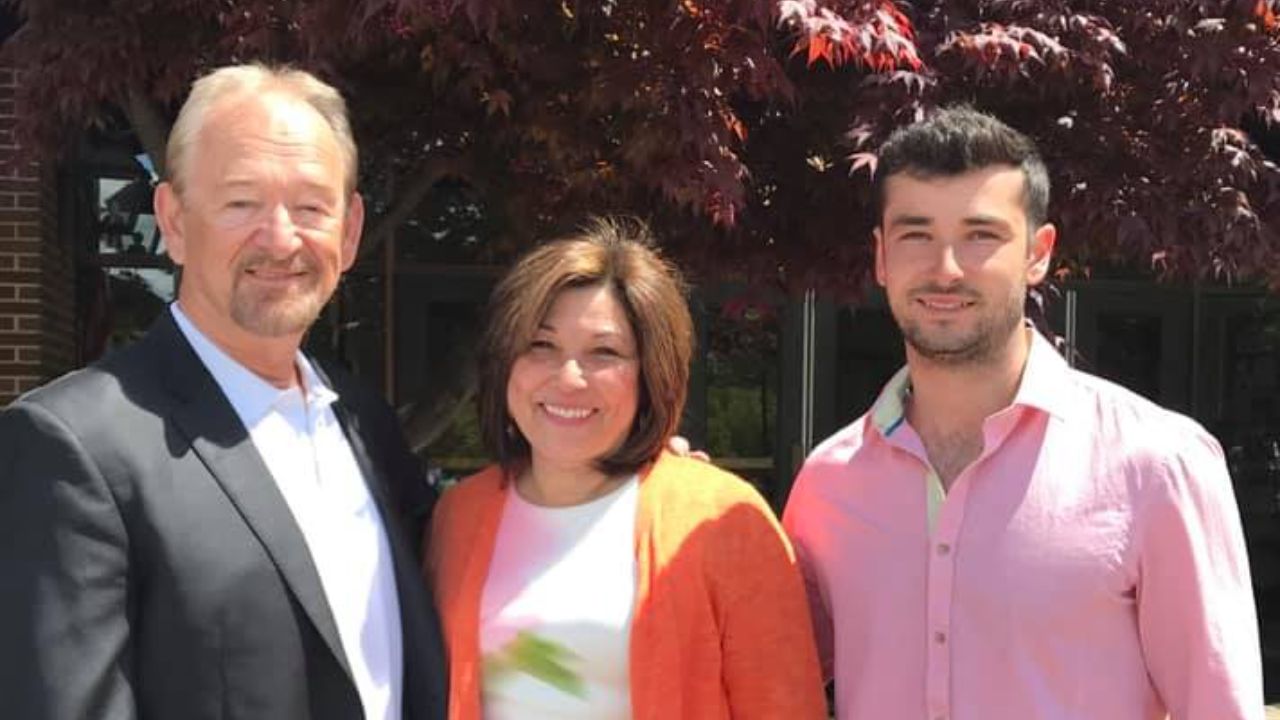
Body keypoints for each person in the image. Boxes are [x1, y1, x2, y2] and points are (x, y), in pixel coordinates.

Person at [783, 107, 1265, 719]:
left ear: (1038, 254)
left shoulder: (1156, 464)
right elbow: (754, 666)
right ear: (881, 258)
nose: (946, 269)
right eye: (916, 234)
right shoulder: (828, 484)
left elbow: (1221, 708)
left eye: (980, 235)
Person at [0, 64, 447, 719]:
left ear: (349, 232)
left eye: (311, 207)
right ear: (174, 220)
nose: (281, 237)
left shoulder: (365, 424)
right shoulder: (73, 448)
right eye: (242, 202)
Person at [425, 218, 826, 719]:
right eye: (541, 346)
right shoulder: (459, 516)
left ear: (651, 375)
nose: (569, 378)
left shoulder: (722, 520)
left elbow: (785, 706)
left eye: (604, 353)